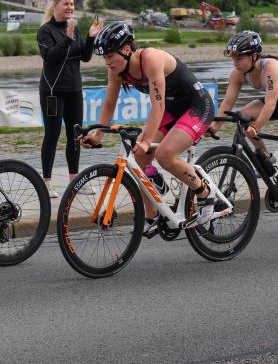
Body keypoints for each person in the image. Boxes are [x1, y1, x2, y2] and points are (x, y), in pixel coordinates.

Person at [80, 22, 216, 226]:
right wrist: (98, 135)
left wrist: (147, 141)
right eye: (104, 57)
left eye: (109, 56)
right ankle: (151, 215)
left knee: (164, 155)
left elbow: (157, 107)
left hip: (196, 106)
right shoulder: (116, 70)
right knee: (139, 157)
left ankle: (205, 192)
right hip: (172, 108)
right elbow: (109, 104)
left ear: (126, 50)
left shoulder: (150, 59)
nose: (107, 62)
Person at [210, 30, 278, 223]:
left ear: (253, 56)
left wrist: (256, 128)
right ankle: (266, 158)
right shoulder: (238, 74)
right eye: (233, 57)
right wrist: (214, 126)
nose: (235, 61)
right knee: (242, 117)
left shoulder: (271, 68)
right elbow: (227, 103)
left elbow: (270, 104)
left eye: (239, 57)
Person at [37, 0, 104, 197]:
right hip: (53, 92)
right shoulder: (45, 31)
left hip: (74, 90)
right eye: (66, 4)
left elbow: (84, 57)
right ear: (55, 5)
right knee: (52, 135)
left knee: (76, 135)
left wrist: (91, 37)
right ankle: (46, 181)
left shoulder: (73, 29)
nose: (70, 8)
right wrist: (66, 39)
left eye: (72, 4)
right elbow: (50, 58)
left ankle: (75, 181)